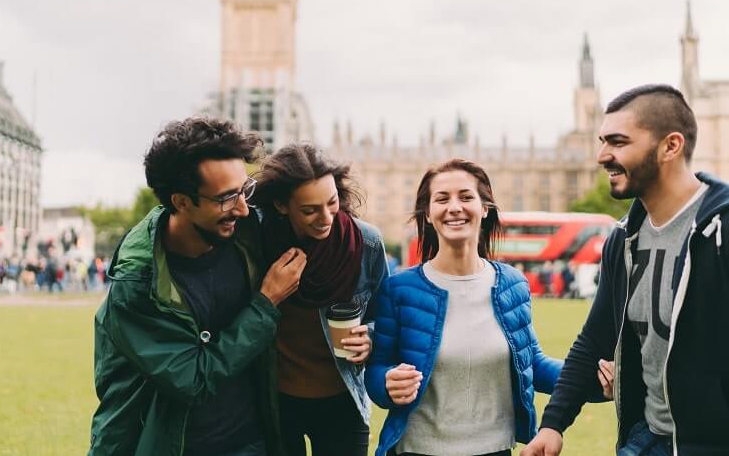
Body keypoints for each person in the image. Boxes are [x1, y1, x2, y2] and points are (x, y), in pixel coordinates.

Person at [523, 84, 729, 456]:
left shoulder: (720, 231)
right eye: (602, 141)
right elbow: (595, 338)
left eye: (618, 142)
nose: (602, 155)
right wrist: (553, 424)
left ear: (671, 146)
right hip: (646, 441)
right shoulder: (623, 239)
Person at [89, 117, 306, 456]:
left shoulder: (247, 231)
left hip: (253, 443)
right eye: (226, 198)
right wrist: (266, 302)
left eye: (244, 189)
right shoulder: (136, 284)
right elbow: (193, 378)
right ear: (181, 202)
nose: (244, 208)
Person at [366, 158, 566, 456]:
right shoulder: (398, 289)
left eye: (466, 196)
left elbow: (532, 364)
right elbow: (376, 369)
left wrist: (590, 378)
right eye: (442, 199)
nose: (454, 207)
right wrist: (386, 382)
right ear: (429, 214)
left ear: (485, 208)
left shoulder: (513, 284)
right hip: (418, 450)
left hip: (494, 449)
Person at [253, 142, 390, 456]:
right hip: (276, 403)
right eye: (310, 210)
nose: (326, 217)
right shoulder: (256, 242)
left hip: (342, 400)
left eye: (332, 203)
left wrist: (370, 338)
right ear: (281, 205)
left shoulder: (367, 242)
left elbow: (387, 318)